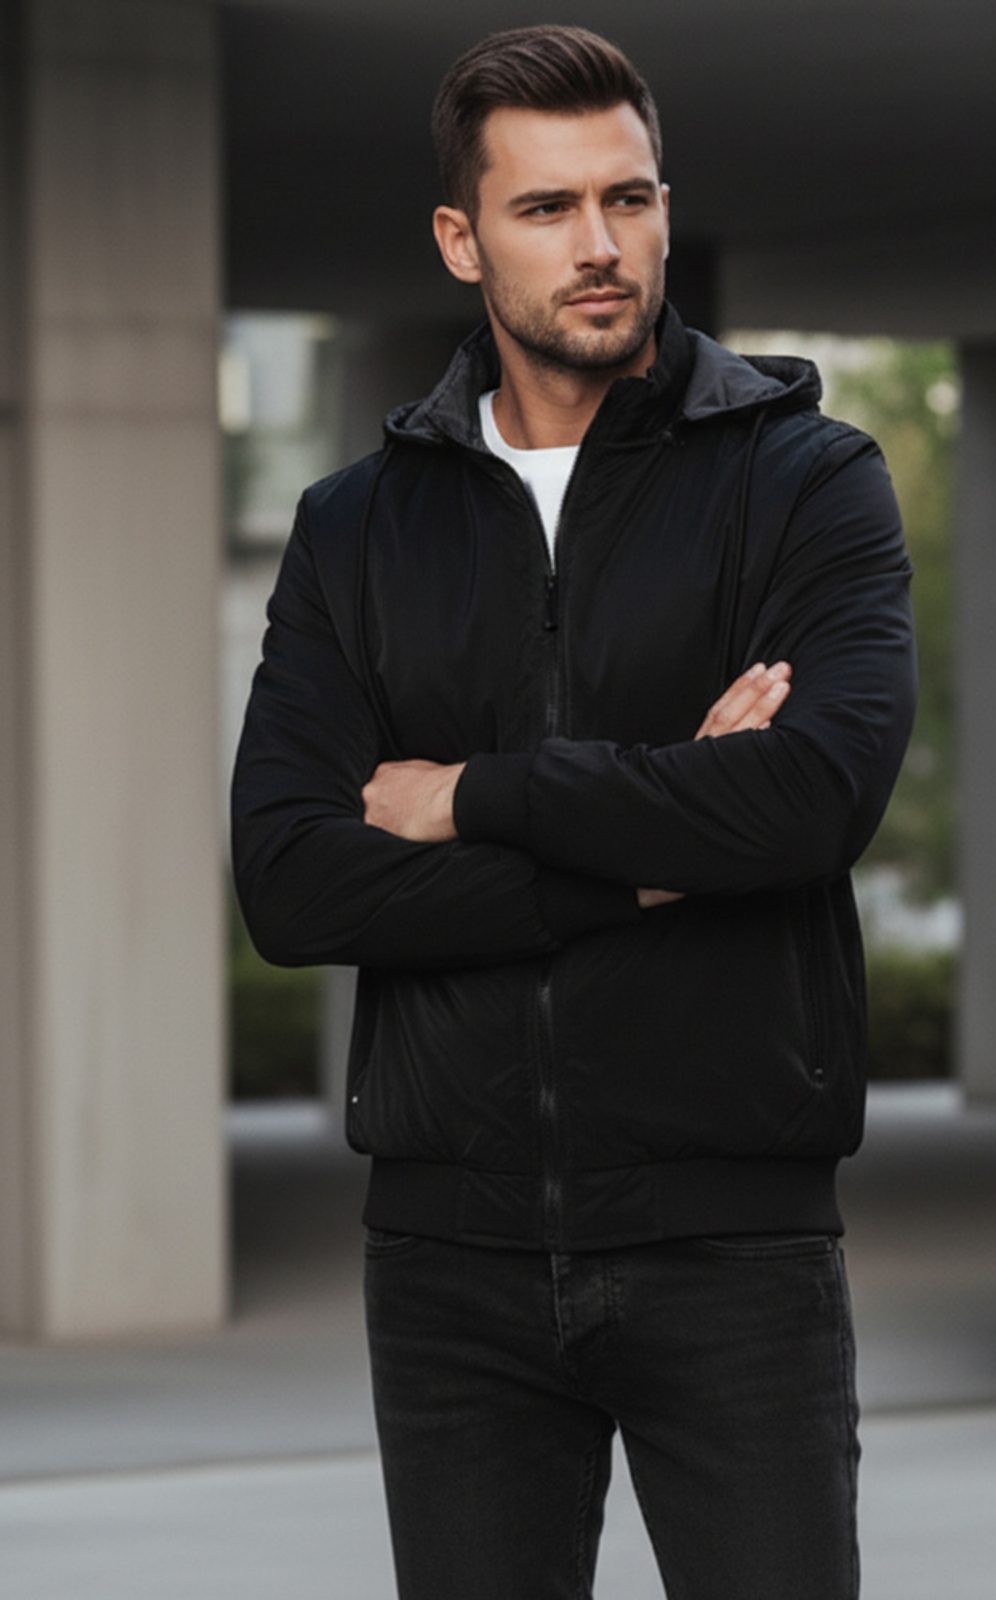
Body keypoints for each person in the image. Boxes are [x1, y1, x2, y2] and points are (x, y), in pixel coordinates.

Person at [231, 23, 916, 1600]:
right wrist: (648, 859)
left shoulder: (805, 481)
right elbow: (293, 882)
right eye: (547, 208)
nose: (601, 244)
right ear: (461, 239)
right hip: (449, 1262)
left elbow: (808, 799)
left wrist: (474, 794)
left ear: (666, 205)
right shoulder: (356, 529)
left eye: (630, 197)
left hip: (734, 1249)